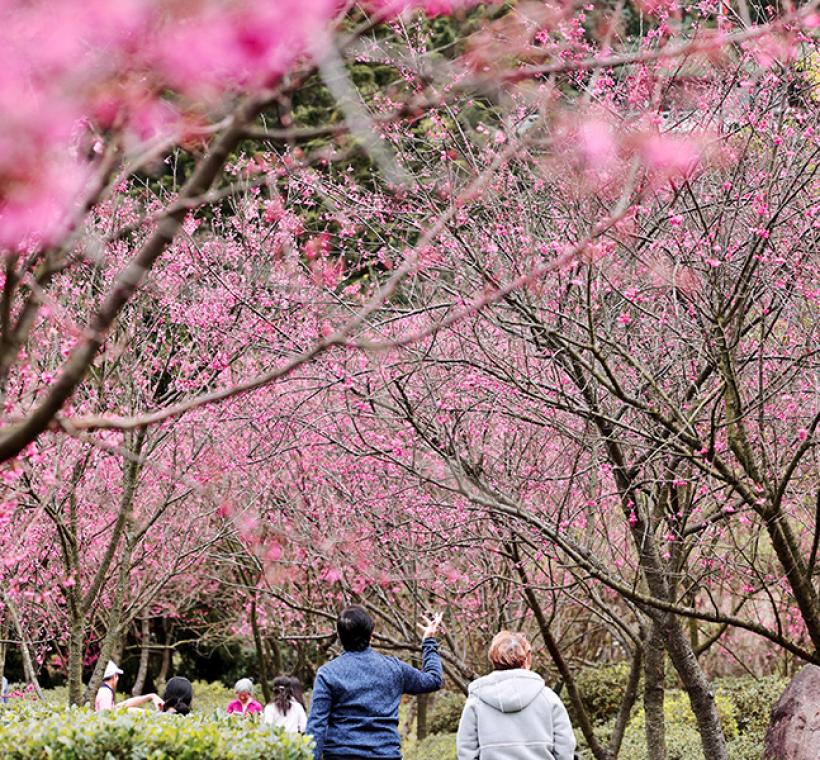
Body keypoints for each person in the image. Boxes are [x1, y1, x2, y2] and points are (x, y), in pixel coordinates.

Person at [306, 605, 443, 760]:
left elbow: (316, 726)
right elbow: (433, 679)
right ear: (371, 633)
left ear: (340, 636)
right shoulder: (393, 668)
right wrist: (429, 641)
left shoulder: (328, 673)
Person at [456, 631, 576, 760]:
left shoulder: (477, 700)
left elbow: (466, 750)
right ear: (526, 660)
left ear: (493, 660)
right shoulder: (548, 698)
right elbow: (565, 747)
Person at [94, 660, 164, 712]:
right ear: (114, 676)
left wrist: (151, 696)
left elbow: (122, 705)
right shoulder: (106, 693)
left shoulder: (104, 691)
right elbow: (106, 715)